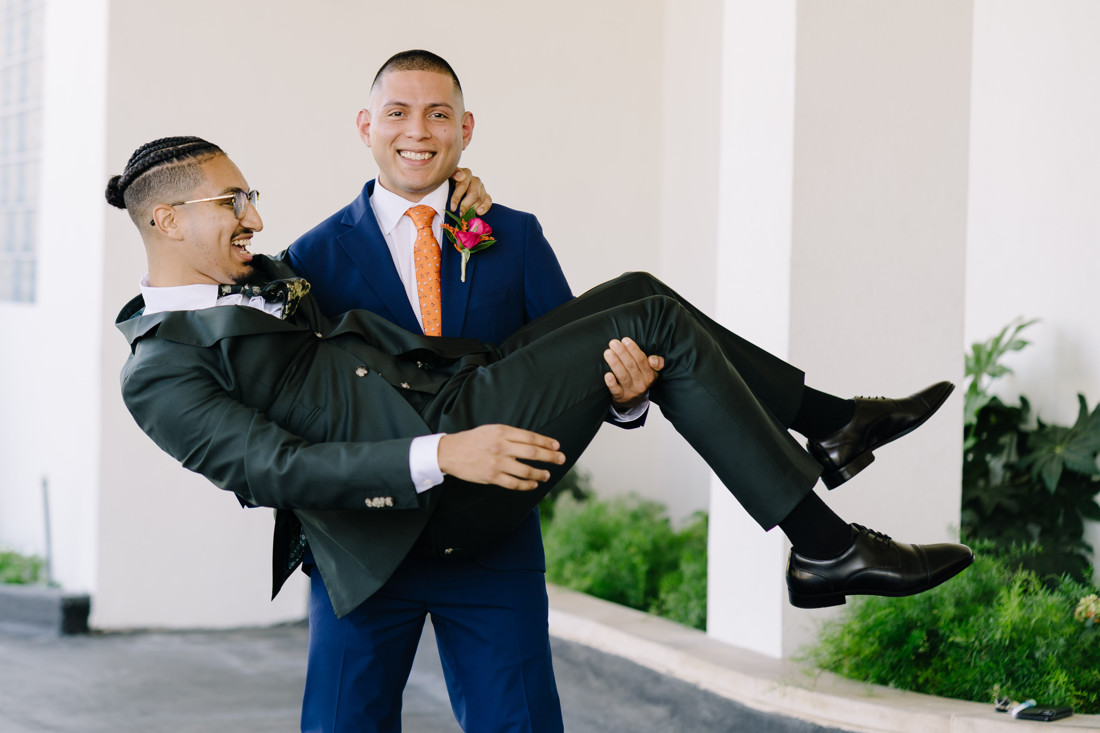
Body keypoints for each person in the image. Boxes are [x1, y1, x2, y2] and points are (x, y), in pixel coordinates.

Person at [109, 135, 973, 731]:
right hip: (400, 506)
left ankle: (832, 450)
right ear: (168, 221)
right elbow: (270, 466)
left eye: (252, 198)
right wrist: (443, 453)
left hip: (461, 403)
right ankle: (826, 504)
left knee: (646, 301)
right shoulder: (157, 369)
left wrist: (455, 203)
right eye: (234, 200)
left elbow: (384, 251)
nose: (254, 217)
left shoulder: (262, 272)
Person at [284, 50, 657, 732]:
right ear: (366, 125)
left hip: (494, 542)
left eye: (438, 114)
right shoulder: (309, 260)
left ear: (467, 128)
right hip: (365, 545)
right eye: (397, 113)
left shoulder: (512, 236)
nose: (417, 131)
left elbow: (570, 366)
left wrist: (626, 396)